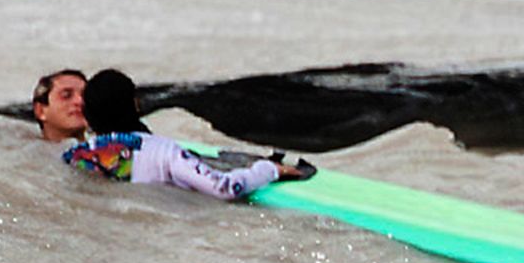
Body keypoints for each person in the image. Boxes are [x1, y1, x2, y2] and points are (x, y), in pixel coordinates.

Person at [28, 68, 316, 201]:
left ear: (89, 117)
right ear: (136, 105)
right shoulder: (164, 152)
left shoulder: (74, 156)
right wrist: (269, 170)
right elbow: (226, 190)